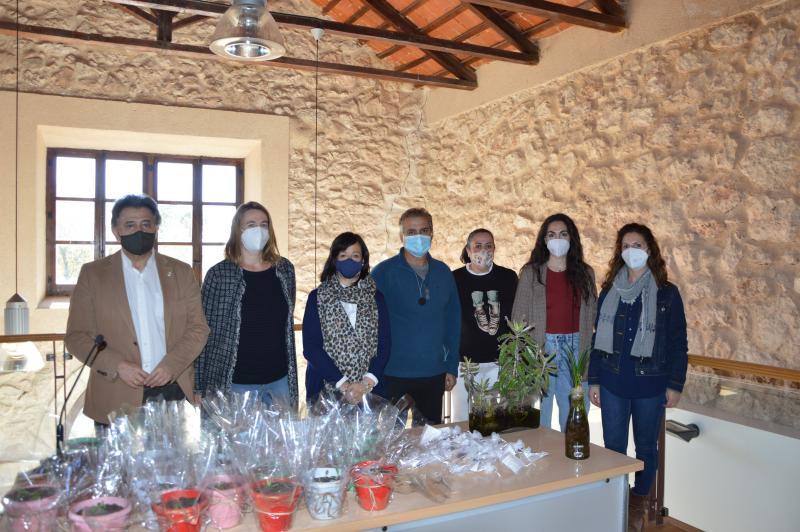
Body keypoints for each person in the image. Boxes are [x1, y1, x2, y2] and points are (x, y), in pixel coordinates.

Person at [65, 194, 209, 426]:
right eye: (130, 225)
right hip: (115, 391)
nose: (139, 231)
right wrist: (117, 365)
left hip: (170, 389)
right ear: (116, 231)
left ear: (156, 229)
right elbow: (77, 337)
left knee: (172, 452)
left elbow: (198, 328)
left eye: (146, 224)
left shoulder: (181, 272)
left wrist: (172, 365)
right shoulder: (93, 275)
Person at [588, 223, 688, 532]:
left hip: (651, 384)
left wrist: (675, 384)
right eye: (625, 245)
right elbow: (597, 339)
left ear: (649, 250)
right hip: (613, 382)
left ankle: (637, 504)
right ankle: (616, 500)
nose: (631, 250)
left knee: (646, 449)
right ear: (619, 251)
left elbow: (678, 342)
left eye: (638, 245)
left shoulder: (667, 293)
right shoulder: (610, 291)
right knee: (613, 448)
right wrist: (594, 380)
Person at [194, 201, 298, 408]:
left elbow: (286, 320)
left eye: (264, 224)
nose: (259, 230)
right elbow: (204, 330)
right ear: (238, 230)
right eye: (251, 225)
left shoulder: (284, 269)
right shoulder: (219, 274)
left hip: (279, 380)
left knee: (282, 430)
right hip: (235, 382)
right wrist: (198, 384)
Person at [371, 207, 461, 424]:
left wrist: (451, 367)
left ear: (432, 233)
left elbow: (453, 322)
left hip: (433, 371)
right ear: (401, 236)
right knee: (390, 437)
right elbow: (369, 324)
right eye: (411, 232)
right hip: (392, 372)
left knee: (429, 436)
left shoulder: (443, 272)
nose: (418, 237)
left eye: (424, 230)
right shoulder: (383, 273)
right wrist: (371, 371)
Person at [511, 213, 597, 431]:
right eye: (551, 234)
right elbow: (518, 316)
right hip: (540, 350)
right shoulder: (531, 273)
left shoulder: (586, 273)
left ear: (571, 238)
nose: (557, 239)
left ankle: (569, 452)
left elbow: (592, 315)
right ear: (544, 240)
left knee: (574, 418)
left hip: (575, 350)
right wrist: (521, 357)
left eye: (563, 234)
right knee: (540, 418)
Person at [302, 232, 390, 404]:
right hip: (326, 389)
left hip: (369, 390)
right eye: (343, 255)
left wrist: (365, 383)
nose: (349, 260)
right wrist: (343, 384)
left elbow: (384, 343)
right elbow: (311, 347)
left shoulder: (376, 298)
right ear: (334, 259)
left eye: (355, 256)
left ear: (363, 260)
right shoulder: (318, 297)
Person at [451, 228, 518, 422]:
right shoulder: (455, 279)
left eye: (488, 246)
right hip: (465, 363)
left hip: (498, 362)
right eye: (478, 246)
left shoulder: (508, 277)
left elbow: (515, 317)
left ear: (494, 249)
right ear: (468, 250)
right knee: (462, 419)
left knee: (494, 420)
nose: (483, 251)